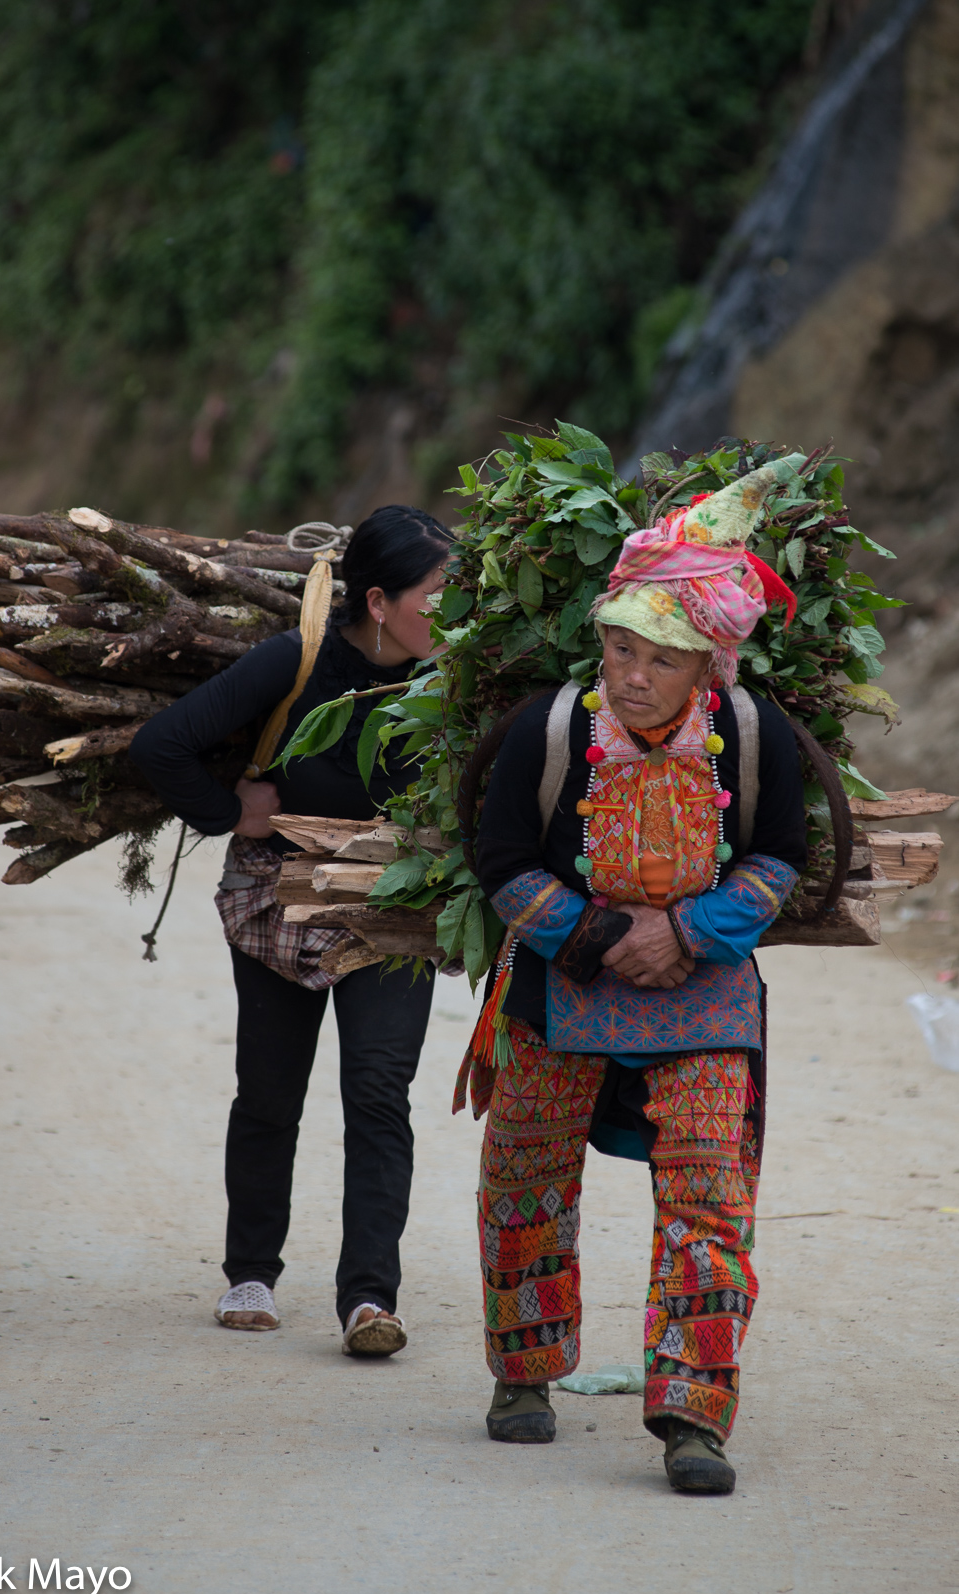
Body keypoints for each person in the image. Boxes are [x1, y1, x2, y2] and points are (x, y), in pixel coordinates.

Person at [457, 462, 807, 1492]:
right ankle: (523, 1376)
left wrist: (688, 932)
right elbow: (502, 861)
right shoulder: (550, 730)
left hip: (706, 996)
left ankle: (694, 1415)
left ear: (708, 666)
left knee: (709, 1201)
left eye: (661, 658)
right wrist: (603, 933)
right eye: (621, 647)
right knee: (522, 1177)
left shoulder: (754, 734)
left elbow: (779, 859)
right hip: (557, 991)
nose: (634, 674)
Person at [130, 505, 451, 1356]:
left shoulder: (453, 677)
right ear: (378, 601)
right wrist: (235, 813)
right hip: (284, 902)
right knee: (270, 1091)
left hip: (394, 904)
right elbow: (160, 746)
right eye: (435, 595)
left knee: (379, 1092)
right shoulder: (296, 661)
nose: (449, 614)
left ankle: (369, 1299)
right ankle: (251, 1273)